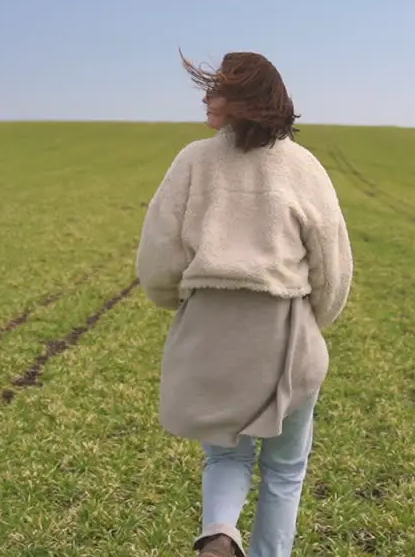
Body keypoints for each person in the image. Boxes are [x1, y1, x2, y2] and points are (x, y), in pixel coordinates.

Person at [136, 51, 355, 557]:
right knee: (283, 468)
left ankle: (218, 533)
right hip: (282, 327)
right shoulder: (303, 167)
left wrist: (179, 303)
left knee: (225, 457)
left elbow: (158, 251)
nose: (208, 99)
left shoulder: (192, 161)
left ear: (248, 101)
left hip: (209, 327)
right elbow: (332, 261)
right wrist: (314, 320)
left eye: (220, 89)